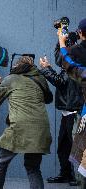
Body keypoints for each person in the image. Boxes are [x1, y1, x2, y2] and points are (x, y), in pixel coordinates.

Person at [0, 56, 53, 189]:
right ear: (32, 67)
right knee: (33, 168)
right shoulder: (39, 79)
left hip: (19, 127)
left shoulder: (11, 79)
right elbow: (48, 99)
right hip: (41, 129)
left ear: (16, 66)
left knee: (1, 162)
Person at [39, 33, 84, 186]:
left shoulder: (72, 63)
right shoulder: (71, 62)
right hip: (68, 110)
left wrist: (46, 69)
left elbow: (60, 82)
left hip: (73, 110)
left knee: (73, 146)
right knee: (64, 146)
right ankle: (66, 174)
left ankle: (76, 177)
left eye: (60, 46)